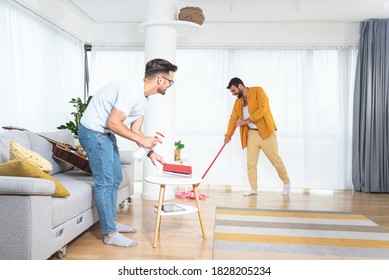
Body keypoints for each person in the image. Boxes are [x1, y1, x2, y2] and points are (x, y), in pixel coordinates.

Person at [78, 58, 178, 247]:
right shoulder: (131, 91)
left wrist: (151, 153)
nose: (170, 85)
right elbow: (113, 123)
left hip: (104, 134)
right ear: (160, 80)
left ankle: (111, 223)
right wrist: (141, 140)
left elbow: (137, 132)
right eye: (170, 81)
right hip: (93, 132)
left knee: (115, 178)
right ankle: (109, 233)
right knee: (105, 182)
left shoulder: (144, 99)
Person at [224, 77, 290, 196]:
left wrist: (246, 121)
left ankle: (286, 182)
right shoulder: (238, 102)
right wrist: (228, 135)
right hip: (252, 134)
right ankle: (253, 188)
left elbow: (262, 110)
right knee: (251, 163)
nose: (233, 94)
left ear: (240, 86)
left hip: (266, 133)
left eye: (233, 91)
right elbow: (233, 118)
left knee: (275, 160)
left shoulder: (258, 91)